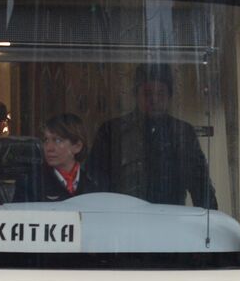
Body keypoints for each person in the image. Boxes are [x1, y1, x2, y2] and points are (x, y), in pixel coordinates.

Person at [88, 65, 217, 209]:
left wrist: (211, 222)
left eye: (161, 94)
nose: (154, 99)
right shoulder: (111, 130)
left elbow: (199, 182)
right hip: (123, 217)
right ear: (136, 95)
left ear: (169, 97)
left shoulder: (182, 132)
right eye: (147, 93)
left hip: (171, 217)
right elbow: (96, 183)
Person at [17, 113, 100, 202]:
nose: (49, 148)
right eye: (46, 140)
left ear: (77, 146)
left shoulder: (94, 183)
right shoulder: (31, 183)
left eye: (57, 140)